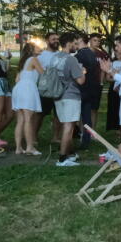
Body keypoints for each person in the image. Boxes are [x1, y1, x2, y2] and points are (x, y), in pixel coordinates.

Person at [54, 32, 86, 167]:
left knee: (66, 125)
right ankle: (62, 159)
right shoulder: (71, 59)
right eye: (75, 43)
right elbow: (80, 81)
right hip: (71, 95)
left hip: (57, 95)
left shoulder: (54, 58)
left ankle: (69, 154)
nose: (76, 46)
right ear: (68, 43)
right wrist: (82, 71)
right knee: (69, 126)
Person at [11, 41, 44, 155]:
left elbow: (16, 80)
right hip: (28, 88)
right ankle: (30, 147)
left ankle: (18, 148)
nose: (40, 47)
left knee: (20, 120)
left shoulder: (22, 62)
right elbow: (43, 73)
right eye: (37, 46)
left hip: (18, 89)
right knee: (28, 119)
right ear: (31, 50)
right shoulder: (34, 60)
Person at [74, 33, 101, 150]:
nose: (75, 44)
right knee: (87, 116)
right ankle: (86, 138)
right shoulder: (92, 53)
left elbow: (77, 73)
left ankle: (81, 137)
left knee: (80, 115)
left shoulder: (79, 55)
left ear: (81, 41)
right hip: (92, 88)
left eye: (76, 42)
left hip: (82, 88)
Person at [34, 31, 61, 143]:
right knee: (40, 114)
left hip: (59, 88)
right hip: (45, 89)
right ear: (47, 41)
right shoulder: (41, 56)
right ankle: (33, 136)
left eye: (57, 39)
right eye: (53, 39)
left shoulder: (61, 54)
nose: (56, 41)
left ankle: (56, 137)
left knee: (58, 114)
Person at [105, 39, 121, 131]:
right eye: (115, 52)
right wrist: (116, 77)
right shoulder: (113, 63)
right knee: (114, 108)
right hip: (114, 89)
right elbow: (108, 78)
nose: (117, 53)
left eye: (118, 51)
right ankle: (115, 127)